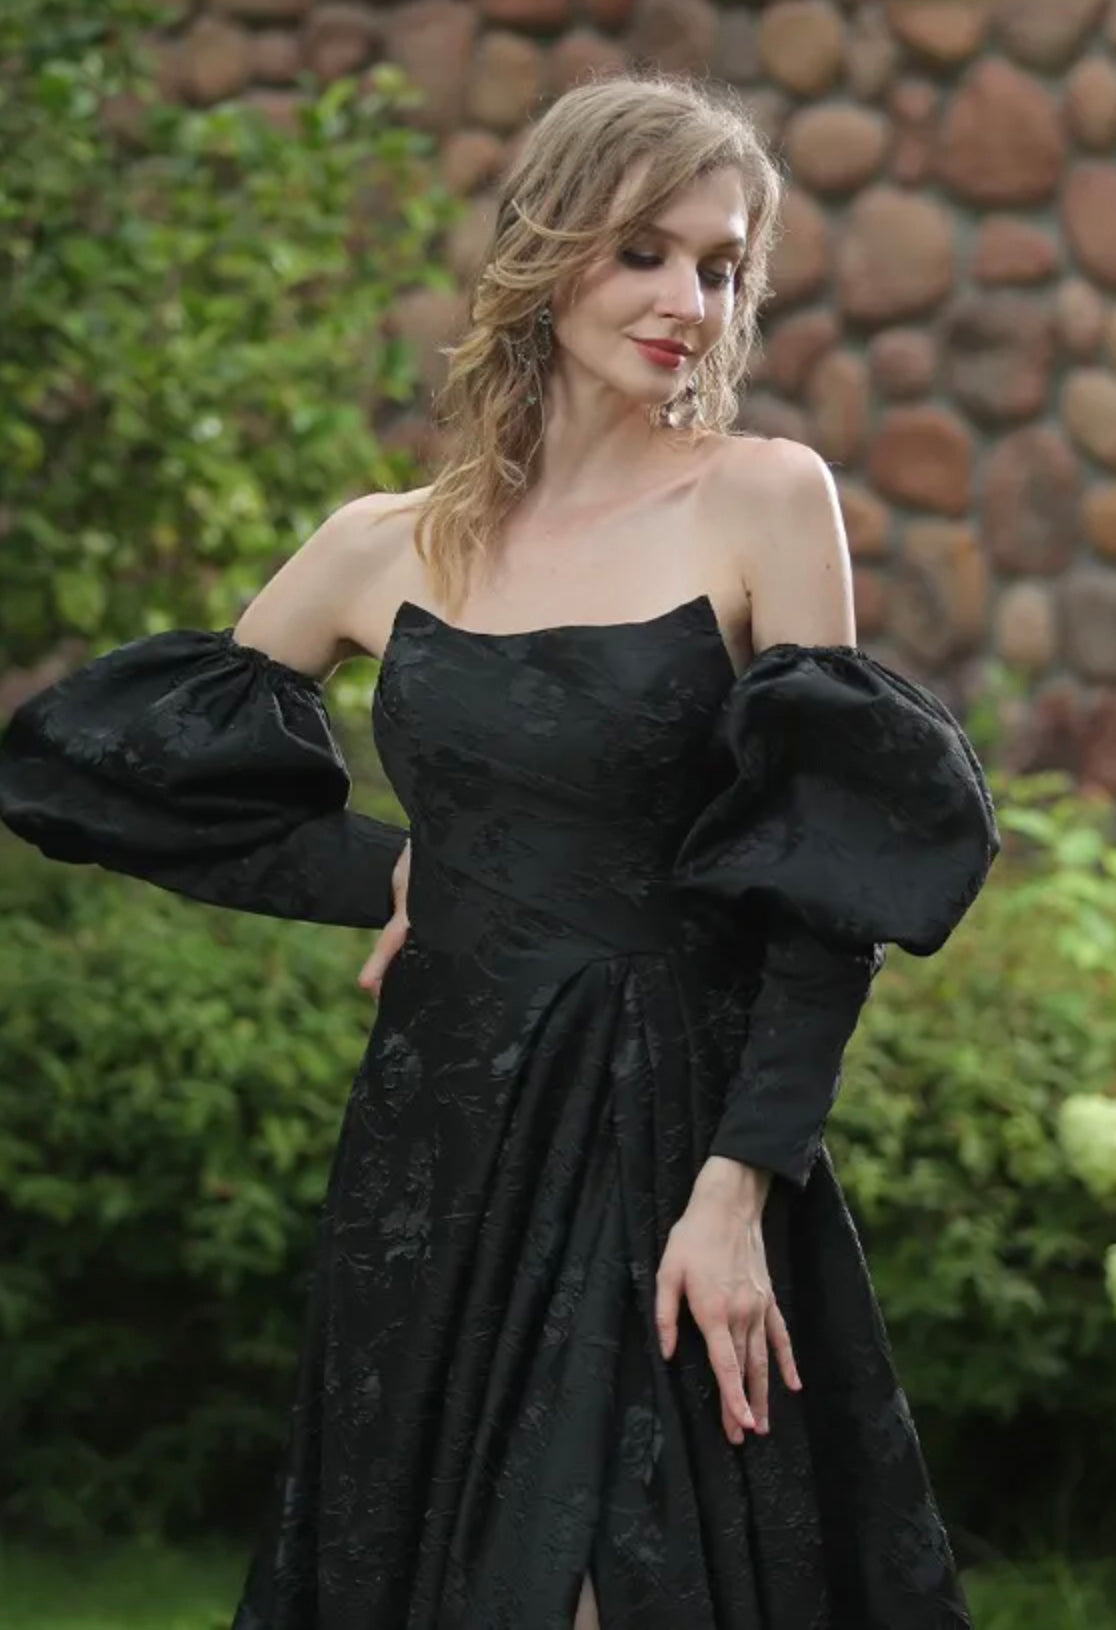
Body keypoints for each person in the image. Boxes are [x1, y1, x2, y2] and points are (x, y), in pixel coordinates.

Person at [0, 71, 998, 1630]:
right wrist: (398, 873)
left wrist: (745, 1182)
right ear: (552, 244)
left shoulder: (764, 501)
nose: (688, 300)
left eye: (722, 265)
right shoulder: (378, 544)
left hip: (676, 1126)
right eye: (645, 253)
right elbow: (117, 777)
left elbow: (825, 881)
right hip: (443, 1137)